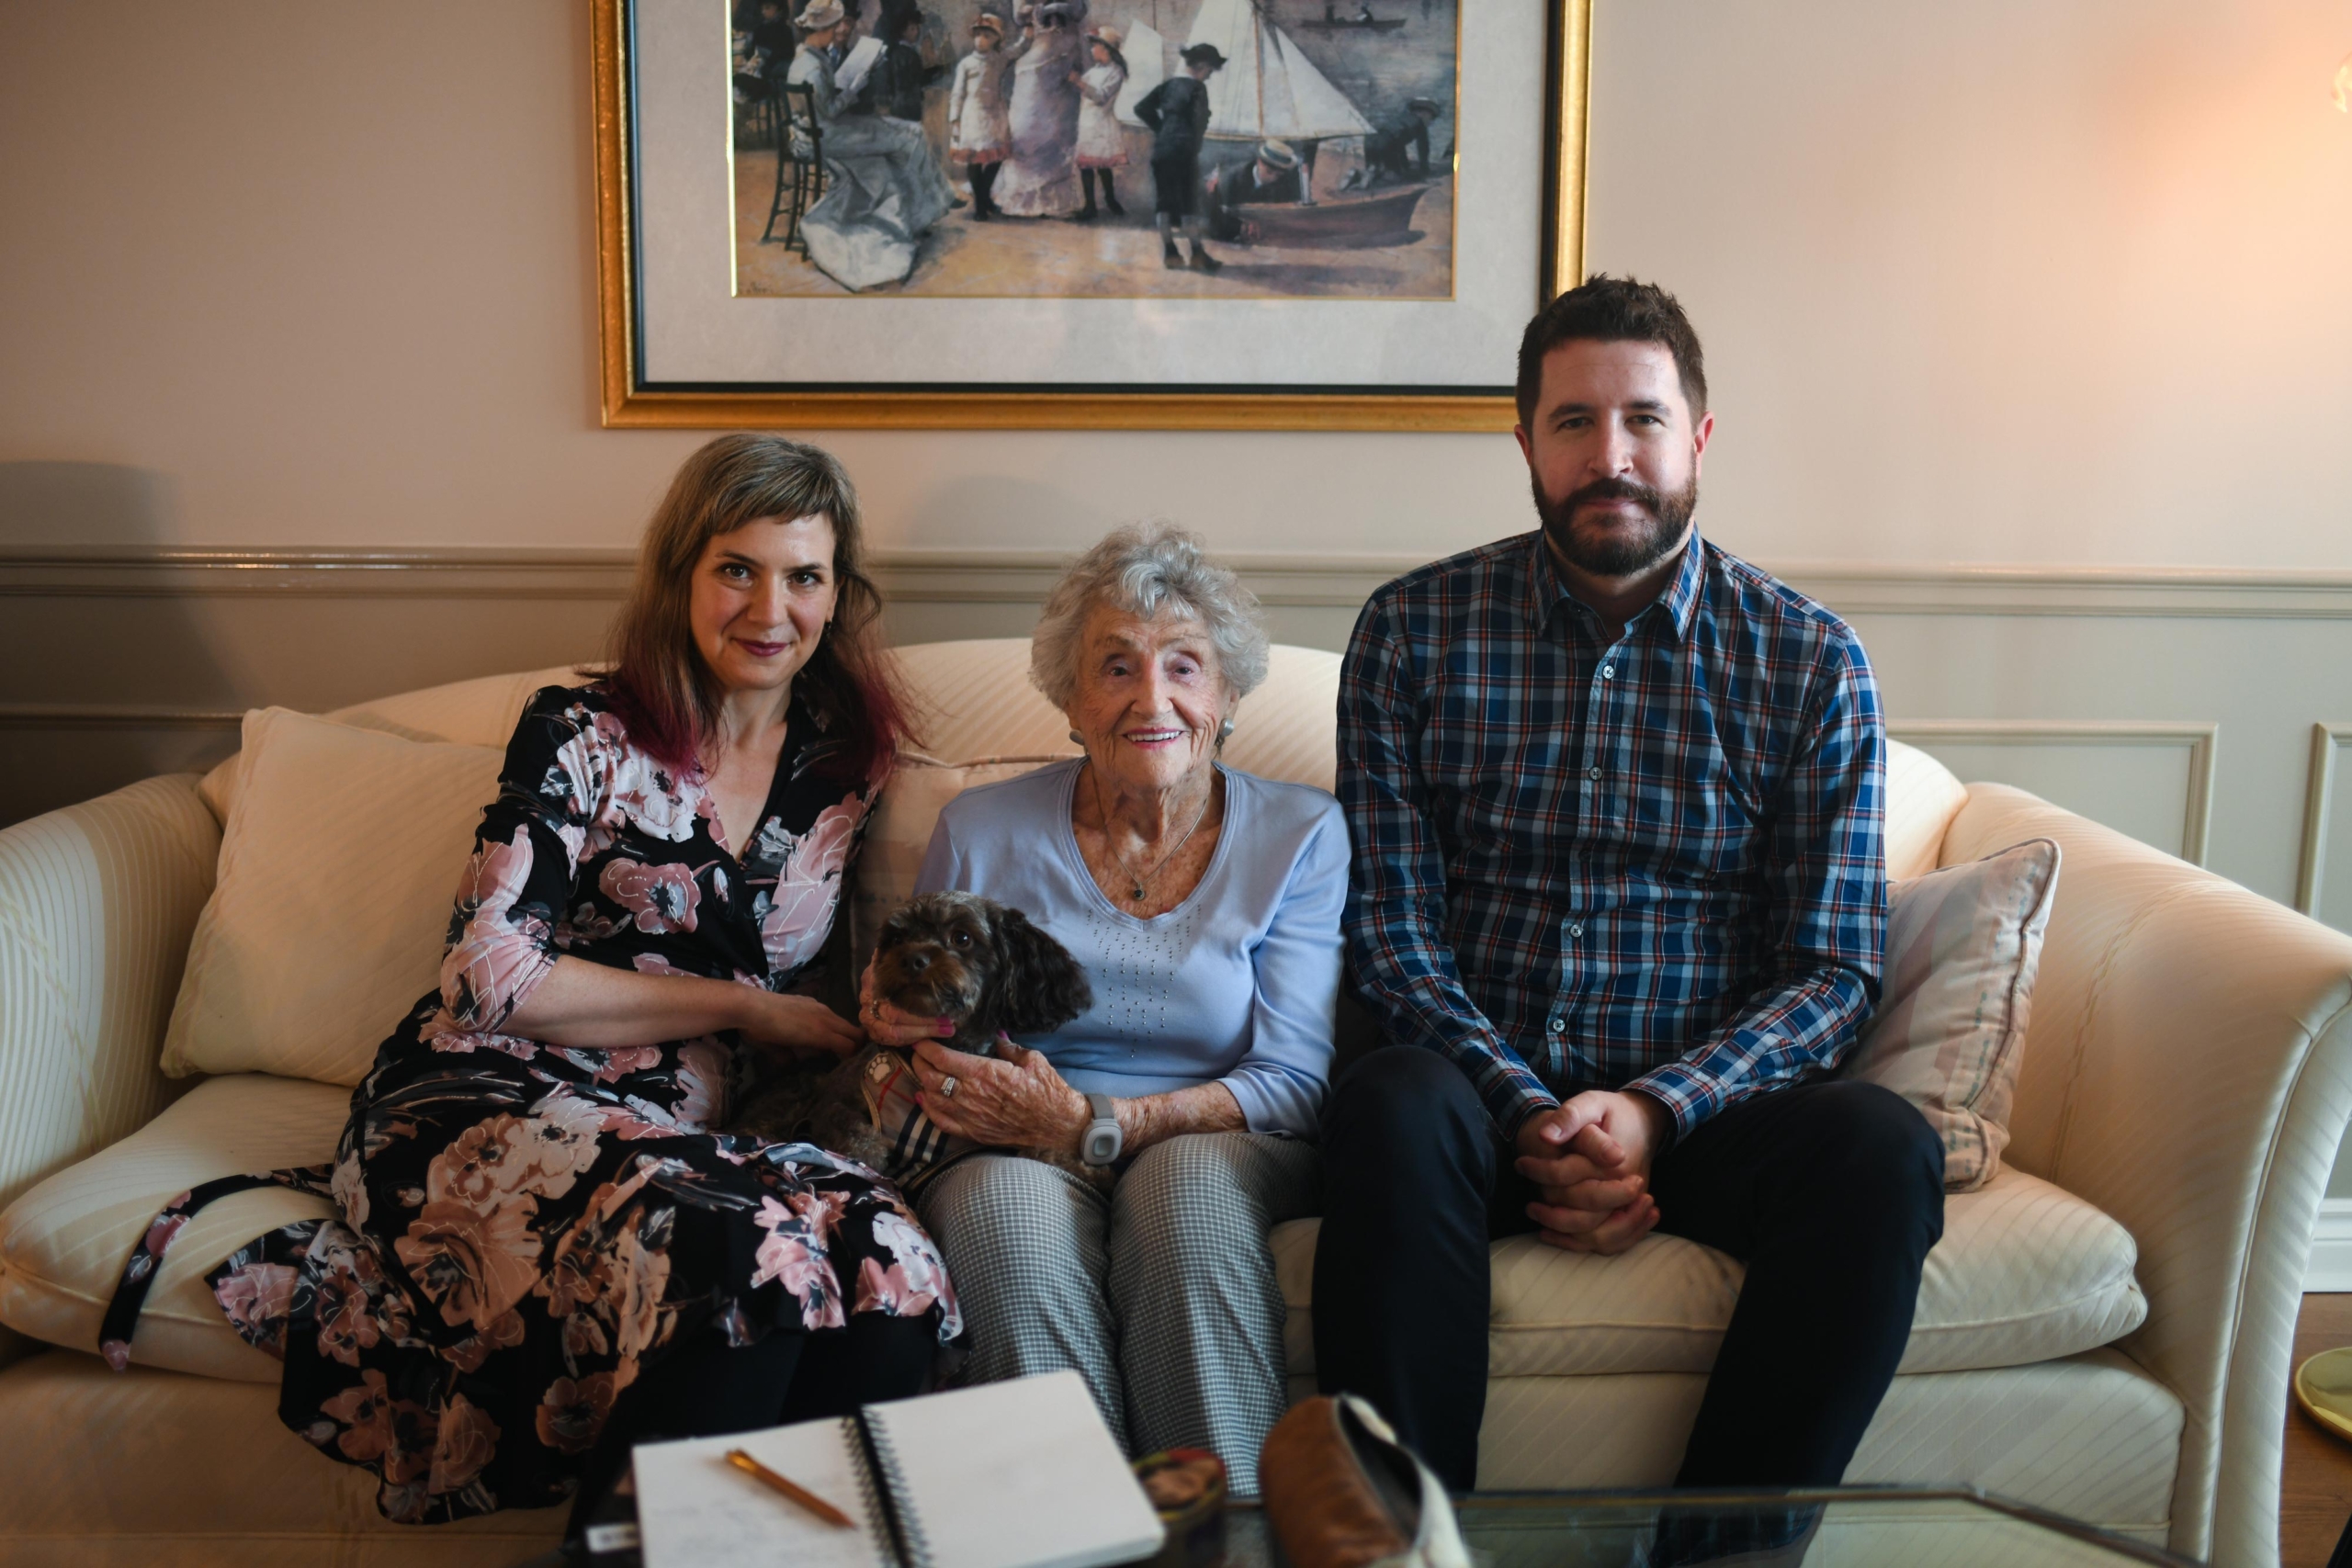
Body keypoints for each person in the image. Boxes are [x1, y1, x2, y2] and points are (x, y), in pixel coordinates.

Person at [120, 435, 956, 1535]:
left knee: (888, 1259)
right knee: (741, 1267)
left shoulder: (844, 767)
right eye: (736, 569)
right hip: (479, 1098)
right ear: (682, 579)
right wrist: (745, 1007)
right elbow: (490, 974)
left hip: (672, 1132)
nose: (771, 607)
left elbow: (842, 991)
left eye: (803, 575)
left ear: (837, 593)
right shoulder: (581, 732)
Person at [1315, 277, 1942, 1518]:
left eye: (1644, 419)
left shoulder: (1809, 659)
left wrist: (1654, 1112)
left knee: (1882, 1150)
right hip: (1473, 1107)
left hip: (1705, 1116)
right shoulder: (1410, 631)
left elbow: (1834, 969)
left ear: (1698, 437)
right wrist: (1534, 1110)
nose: (1612, 457)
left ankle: (1719, 1558)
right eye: (1573, 422)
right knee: (1388, 1099)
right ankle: (1410, 1549)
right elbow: (1391, 931)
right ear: (1524, 441)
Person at [862, 524, 1346, 1495]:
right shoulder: (981, 829)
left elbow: (1296, 1081)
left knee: (1186, 1202)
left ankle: (1225, 1542)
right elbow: (933, 1026)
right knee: (999, 1217)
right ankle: (1067, 1532)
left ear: (1227, 695)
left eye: (1183, 666)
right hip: (1013, 1134)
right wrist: (898, 1029)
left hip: (1217, 1133)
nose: (1150, 698)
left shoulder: (1302, 835)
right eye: (1115, 668)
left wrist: (1100, 1125)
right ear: (1072, 702)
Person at [786, 1, 956, 289]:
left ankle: (922, 208)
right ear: (822, 29)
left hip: (824, 132)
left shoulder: (805, 57)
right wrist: (857, 84)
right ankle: (929, 205)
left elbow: (822, 105)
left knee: (900, 138)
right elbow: (831, 109)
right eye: (834, 27)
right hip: (832, 136)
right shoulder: (812, 68)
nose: (839, 31)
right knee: (910, 134)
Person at [1134, 43, 1226, 272]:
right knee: (1188, 206)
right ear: (1201, 66)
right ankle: (1196, 255)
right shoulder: (1197, 89)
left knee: (1164, 203)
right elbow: (1199, 122)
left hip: (1162, 151)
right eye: (1210, 70)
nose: (1210, 75)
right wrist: (1193, 141)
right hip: (1183, 152)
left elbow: (1141, 108)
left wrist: (1162, 129)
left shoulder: (1167, 86)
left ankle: (1170, 254)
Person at [995, 0, 1087, 217]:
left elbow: (1079, 8)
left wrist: (1052, 8)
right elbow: (1019, 15)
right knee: (1029, 122)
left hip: (1066, 53)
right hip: (1039, 51)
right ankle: (1025, 194)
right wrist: (1039, 10)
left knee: (1059, 128)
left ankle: (1057, 200)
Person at [946, 11, 1014, 220]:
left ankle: (984, 197)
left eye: (986, 35)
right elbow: (957, 93)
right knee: (974, 160)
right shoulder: (966, 64)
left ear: (996, 39)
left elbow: (1019, 50)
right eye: (977, 35)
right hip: (973, 115)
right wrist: (955, 119)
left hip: (995, 115)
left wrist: (1028, 36)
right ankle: (980, 207)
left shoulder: (1000, 59)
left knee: (996, 157)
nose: (980, 40)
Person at [1069, 25, 1128, 220]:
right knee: (1086, 166)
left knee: (1103, 166)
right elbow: (1082, 89)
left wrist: (1079, 83)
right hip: (1087, 124)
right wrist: (1075, 82)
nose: (1092, 49)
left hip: (1102, 125)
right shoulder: (1094, 70)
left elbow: (1101, 96)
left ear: (1107, 48)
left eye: (1095, 46)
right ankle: (1090, 206)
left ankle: (1110, 200)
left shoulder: (1116, 72)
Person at [1203, 139, 1305, 242]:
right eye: (1269, 172)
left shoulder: (1285, 185)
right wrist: (1242, 226)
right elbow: (1218, 216)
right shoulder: (1231, 179)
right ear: (1259, 162)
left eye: (1278, 175)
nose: (1273, 178)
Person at [1339, 96, 1439, 189]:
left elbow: (1399, 143)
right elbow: (1423, 149)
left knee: (1374, 166)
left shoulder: (1400, 118)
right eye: (1431, 118)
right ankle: (1368, 179)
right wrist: (1424, 170)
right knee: (1394, 177)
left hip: (1370, 139)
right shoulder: (1419, 125)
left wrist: (1405, 164)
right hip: (1386, 142)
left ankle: (1360, 174)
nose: (1430, 122)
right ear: (1424, 114)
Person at [878, 9, 943, 123]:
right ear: (903, 32)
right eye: (912, 29)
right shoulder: (909, 54)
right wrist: (937, 70)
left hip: (898, 104)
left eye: (917, 28)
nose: (917, 32)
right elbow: (918, 79)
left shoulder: (896, 52)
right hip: (909, 104)